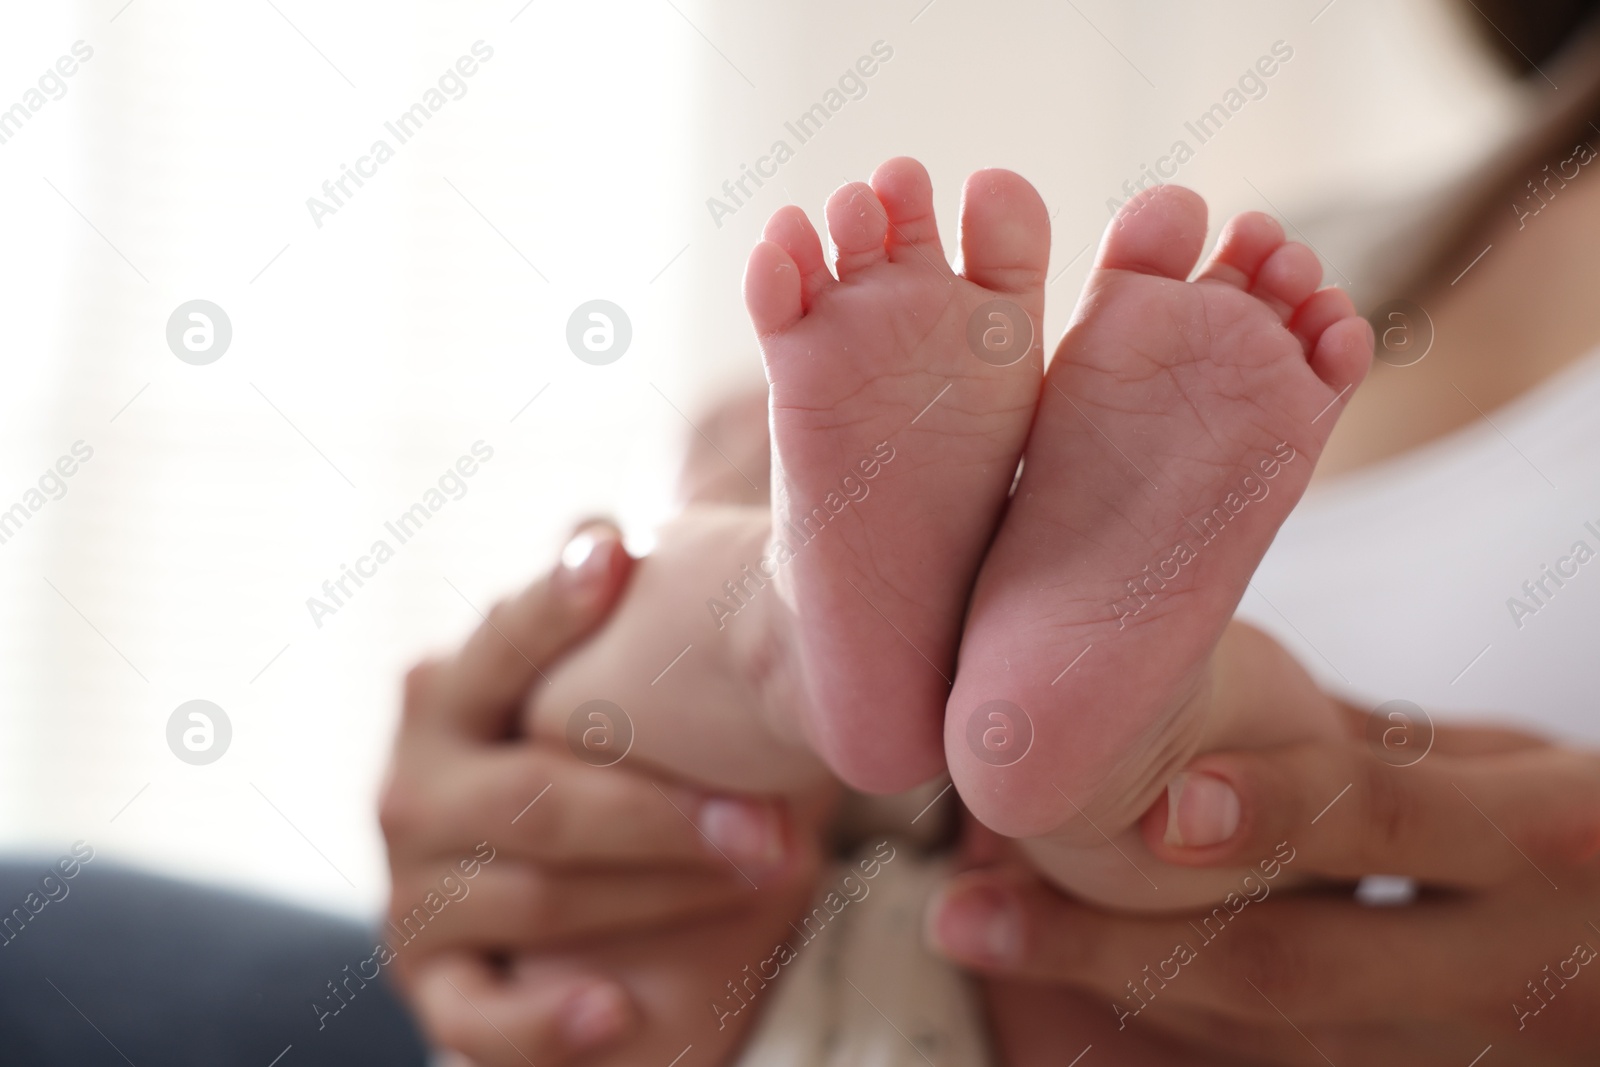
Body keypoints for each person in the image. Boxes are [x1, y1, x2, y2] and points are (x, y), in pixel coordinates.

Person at [383, 2, 1600, 1062]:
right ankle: (856, 652)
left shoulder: (1266, 305)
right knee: (1188, 759)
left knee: (1234, 771)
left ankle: (816, 647)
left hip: (1015, 995)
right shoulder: (1357, 245)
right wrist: (496, 829)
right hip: (750, 967)